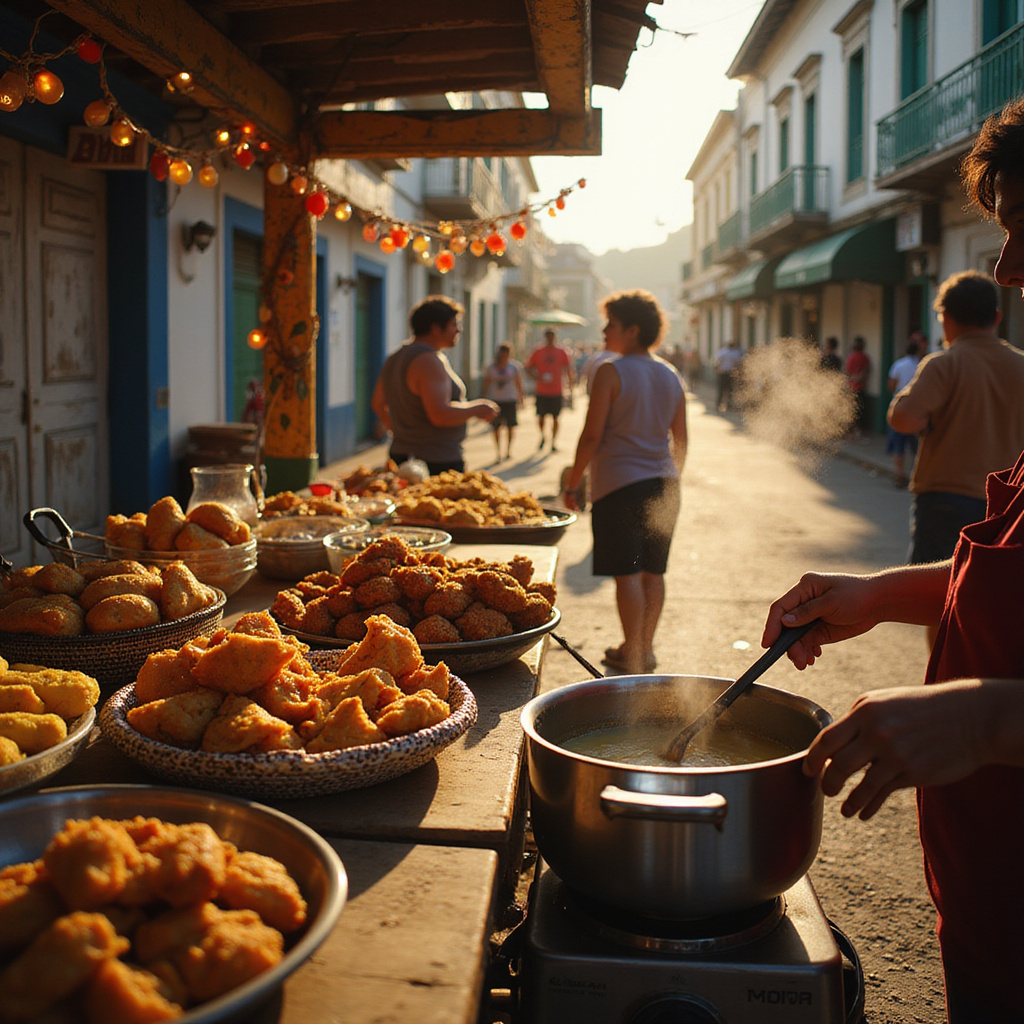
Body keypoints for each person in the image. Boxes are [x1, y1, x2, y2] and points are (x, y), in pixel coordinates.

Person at [760, 96, 1024, 1023]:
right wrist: (875, 593)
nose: (1009, 267)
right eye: (1003, 233)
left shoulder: (948, 365)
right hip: (994, 898)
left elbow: (906, 420)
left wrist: (990, 719)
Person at [561, 289, 687, 675]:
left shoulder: (610, 371)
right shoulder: (670, 374)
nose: (604, 329)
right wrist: (670, 478)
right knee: (653, 571)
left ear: (632, 330)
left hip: (619, 485)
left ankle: (633, 650)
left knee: (628, 573)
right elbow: (680, 440)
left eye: (611, 323)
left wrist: (573, 481)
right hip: (664, 483)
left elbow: (591, 435)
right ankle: (644, 649)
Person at [889, 271, 1024, 614]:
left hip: (945, 500)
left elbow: (903, 420)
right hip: (1007, 507)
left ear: (945, 319)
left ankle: (947, 670)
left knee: (939, 602)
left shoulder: (943, 365)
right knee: (995, 604)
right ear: (996, 317)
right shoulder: (1021, 366)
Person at [371, 295, 498, 475]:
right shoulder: (429, 361)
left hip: (403, 453)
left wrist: (402, 433)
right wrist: (478, 409)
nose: (458, 330)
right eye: (454, 324)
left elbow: (377, 403)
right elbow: (439, 415)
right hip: (435, 462)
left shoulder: (395, 357)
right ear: (435, 328)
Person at [526, 328, 575, 451]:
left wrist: (571, 387)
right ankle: (543, 436)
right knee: (541, 417)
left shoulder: (561, 352)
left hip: (556, 390)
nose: (550, 339)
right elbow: (528, 367)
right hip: (542, 390)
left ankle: (553, 441)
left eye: (551, 337)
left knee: (556, 417)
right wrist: (536, 377)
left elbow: (568, 370)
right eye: (548, 337)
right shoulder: (539, 351)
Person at [884, 337, 923, 488]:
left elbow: (891, 385)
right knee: (916, 446)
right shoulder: (921, 365)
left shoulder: (898, 365)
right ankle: (916, 475)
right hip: (917, 407)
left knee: (898, 446)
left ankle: (899, 475)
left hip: (900, 407)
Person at [482, 343, 524, 462]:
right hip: (496, 401)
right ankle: (498, 451)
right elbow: (486, 383)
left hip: (510, 399)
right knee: (496, 427)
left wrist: (521, 398)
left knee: (510, 426)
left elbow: (518, 383)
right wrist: (484, 398)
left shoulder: (514, 367)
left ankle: (508, 450)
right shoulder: (491, 367)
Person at [844, 336, 870, 438]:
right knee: (859, 411)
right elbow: (866, 372)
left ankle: (851, 432)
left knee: (851, 410)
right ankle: (857, 432)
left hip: (850, 387)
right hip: (859, 387)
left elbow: (847, 372)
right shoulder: (864, 357)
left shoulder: (851, 357)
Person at [713, 339, 743, 412]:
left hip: (725, 373)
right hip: (728, 373)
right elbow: (737, 364)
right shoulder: (734, 353)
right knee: (728, 390)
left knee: (724, 390)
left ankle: (722, 405)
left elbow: (717, 362)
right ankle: (726, 405)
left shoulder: (723, 352)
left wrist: (719, 370)